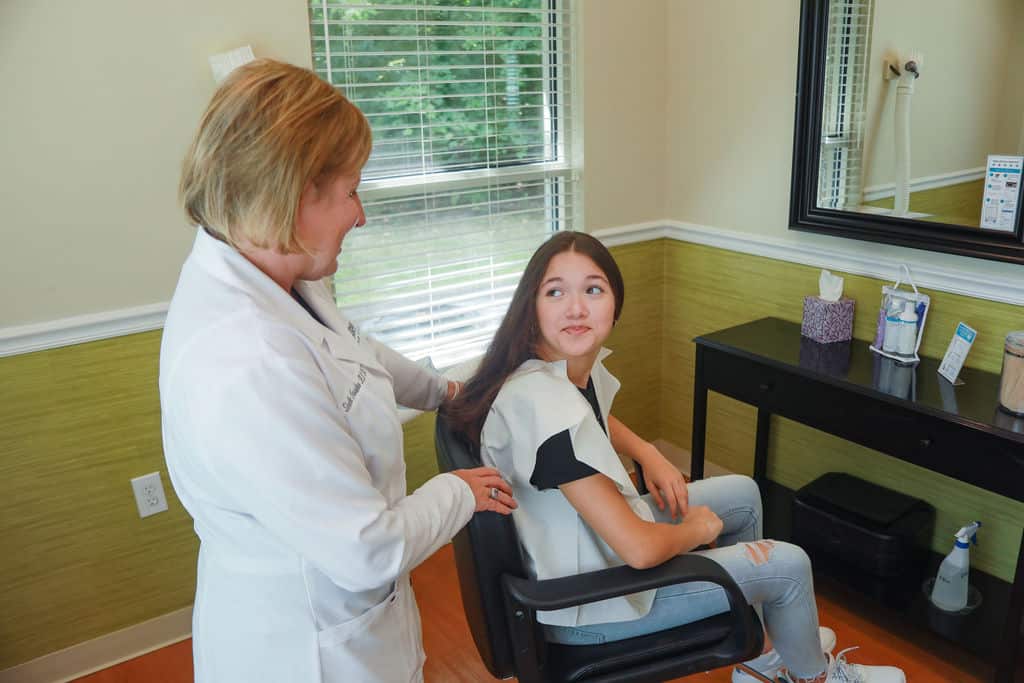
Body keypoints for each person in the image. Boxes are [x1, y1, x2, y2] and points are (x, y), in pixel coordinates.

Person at [160, 59, 516, 683]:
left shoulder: (281, 275)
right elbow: (366, 549)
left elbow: (355, 351)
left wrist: (447, 390)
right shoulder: (246, 357)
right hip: (305, 652)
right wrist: (461, 489)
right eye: (352, 190)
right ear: (290, 193)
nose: (361, 214)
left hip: (358, 623)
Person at [445, 231, 906, 683]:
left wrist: (650, 453)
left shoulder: (550, 372)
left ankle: (763, 660)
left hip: (589, 549)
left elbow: (597, 418)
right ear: (532, 306)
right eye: (555, 292)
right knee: (788, 566)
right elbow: (640, 550)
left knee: (743, 495)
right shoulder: (546, 411)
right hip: (594, 606)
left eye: (592, 289)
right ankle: (815, 677)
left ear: (615, 304)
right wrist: (697, 529)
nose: (576, 308)